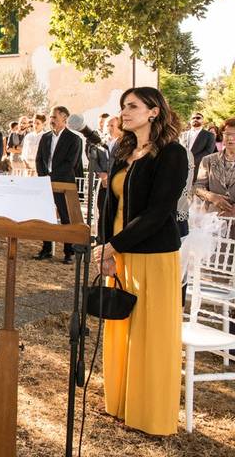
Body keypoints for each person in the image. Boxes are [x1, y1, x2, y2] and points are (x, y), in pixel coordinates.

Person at [95, 86, 187, 436]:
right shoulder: (123, 150)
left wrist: (113, 245)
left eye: (132, 106)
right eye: (123, 106)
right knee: (122, 329)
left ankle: (149, 415)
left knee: (150, 337)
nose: (125, 111)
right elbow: (110, 206)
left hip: (153, 255)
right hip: (119, 253)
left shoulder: (172, 154)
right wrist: (106, 246)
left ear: (154, 112)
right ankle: (120, 403)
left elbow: (159, 211)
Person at [34, 106, 81, 263]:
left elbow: (70, 164)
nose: (51, 120)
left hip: (64, 183)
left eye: (54, 117)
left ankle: (69, 252)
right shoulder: (45, 137)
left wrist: (52, 178)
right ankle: (46, 249)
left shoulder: (74, 139)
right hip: (45, 183)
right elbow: (39, 159)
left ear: (64, 118)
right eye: (51, 117)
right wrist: (43, 177)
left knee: (66, 217)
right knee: (45, 216)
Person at [193, 117, 235, 219]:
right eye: (227, 134)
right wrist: (212, 197)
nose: (231, 138)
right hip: (213, 220)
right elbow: (197, 187)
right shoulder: (208, 160)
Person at [181, 111, 216, 182]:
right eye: (193, 118)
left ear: (203, 121)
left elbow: (209, 151)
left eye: (198, 118)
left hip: (198, 169)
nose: (195, 119)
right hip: (181, 169)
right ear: (190, 121)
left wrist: (191, 160)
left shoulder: (209, 135)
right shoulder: (183, 134)